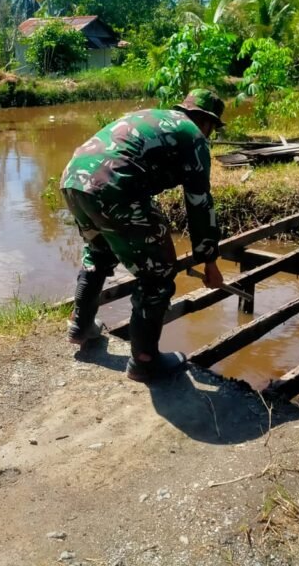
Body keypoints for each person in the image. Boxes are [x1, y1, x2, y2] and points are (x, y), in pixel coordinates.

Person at [60, 89, 226, 383]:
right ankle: (145, 361)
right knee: (158, 274)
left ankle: (80, 326)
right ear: (207, 121)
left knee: (99, 253)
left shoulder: (156, 117)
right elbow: (199, 205)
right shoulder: (195, 137)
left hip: (74, 179)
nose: (210, 133)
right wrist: (209, 262)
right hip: (115, 187)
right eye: (212, 128)